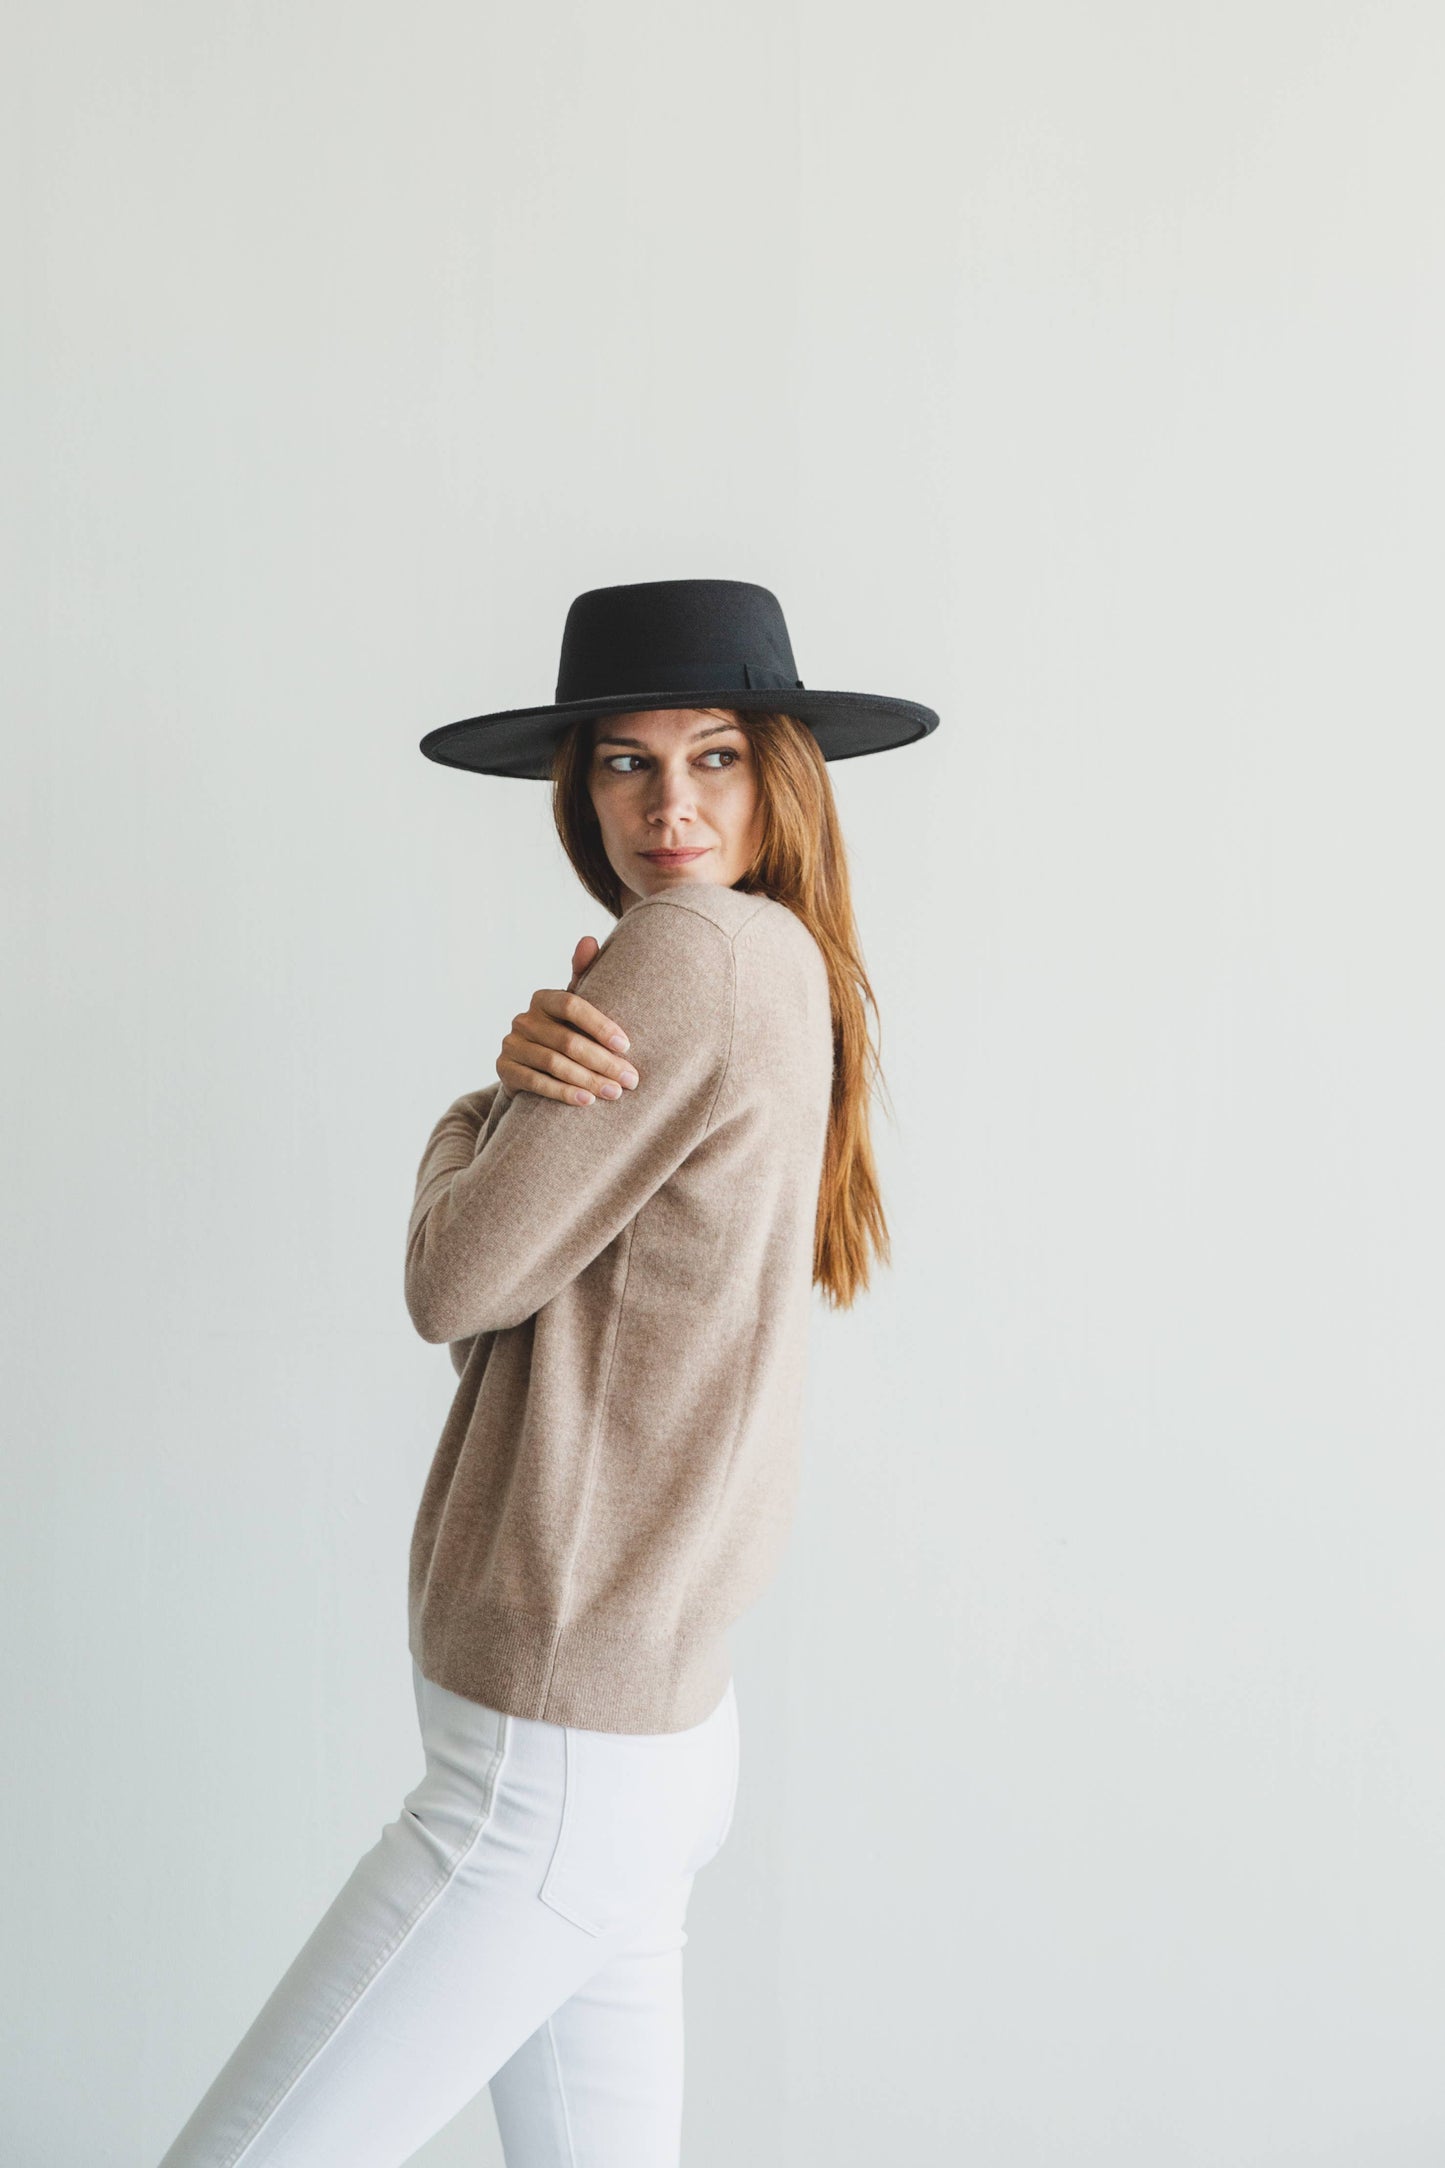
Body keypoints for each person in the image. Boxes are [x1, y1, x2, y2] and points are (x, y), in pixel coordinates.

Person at [157, 579, 938, 2167]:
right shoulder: (788, 959)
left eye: (713, 757)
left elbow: (453, 1282)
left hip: (552, 1750)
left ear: (779, 770)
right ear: (577, 787)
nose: (667, 807)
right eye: (623, 765)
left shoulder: (689, 957)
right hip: (648, 1728)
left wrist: (477, 1104)